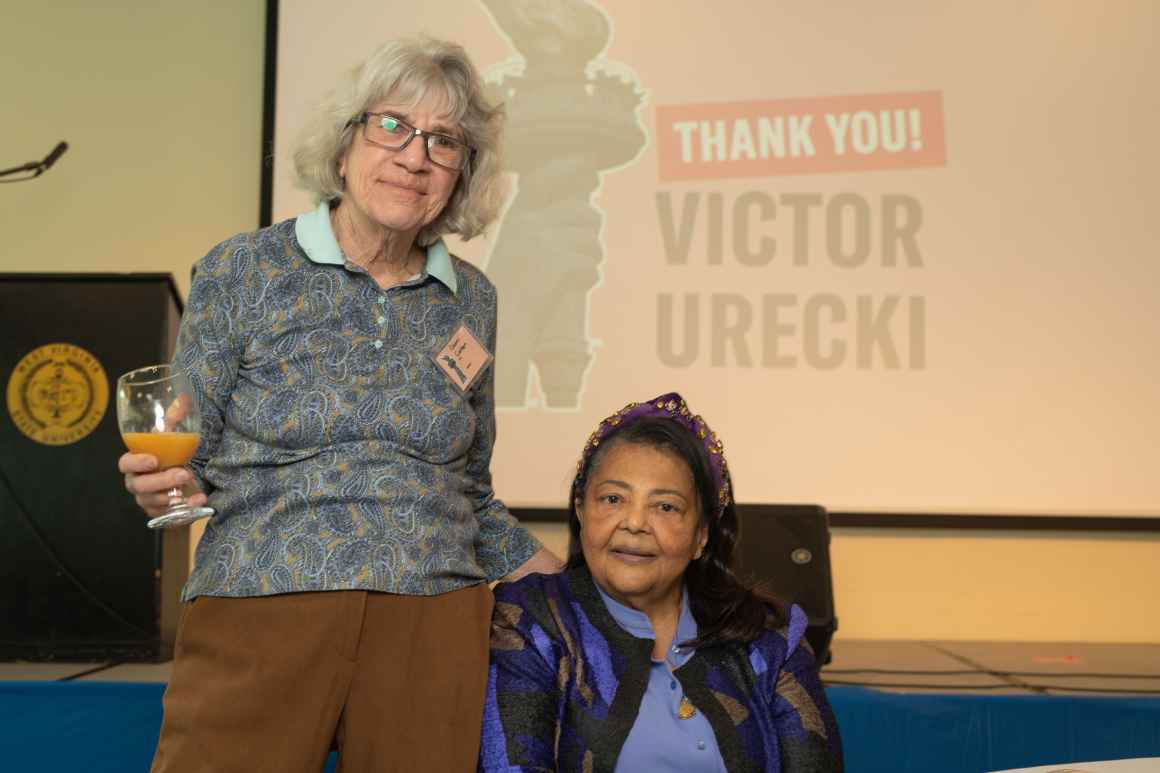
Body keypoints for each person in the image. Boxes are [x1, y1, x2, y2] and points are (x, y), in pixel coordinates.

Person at [118, 37, 561, 772]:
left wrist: (585, 587)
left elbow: (468, 491)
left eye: (443, 141)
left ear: (462, 174)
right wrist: (161, 485)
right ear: (346, 142)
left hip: (434, 620)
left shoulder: (473, 300)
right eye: (392, 125)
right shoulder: (244, 268)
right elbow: (184, 450)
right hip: (262, 598)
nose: (414, 156)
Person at [479, 393, 843, 772]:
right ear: (581, 510)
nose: (634, 523)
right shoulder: (532, 619)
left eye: (665, 506)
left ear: (701, 535)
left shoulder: (770, 636)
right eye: (613, 498)